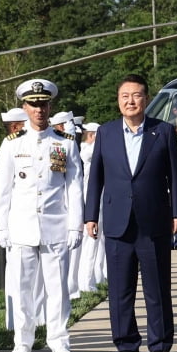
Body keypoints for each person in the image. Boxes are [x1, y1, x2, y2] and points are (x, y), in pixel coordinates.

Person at [83, 74, 177, 352]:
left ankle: (160, 344)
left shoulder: (163, 131)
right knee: (120, 289)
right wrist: (90, 215)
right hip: (118, 222)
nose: (130, 101)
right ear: (118, 101)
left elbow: (176, 177)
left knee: (157, 288)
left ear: (146, 98)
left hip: (153, 221)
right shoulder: (106, 133)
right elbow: (96, 178)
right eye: (124, 96)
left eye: (137, 95)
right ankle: (126, 343)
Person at [0, 79, 83, 352]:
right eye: (33, 105)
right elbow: (3, 188)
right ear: (24, 107)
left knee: (57, 289)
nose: (39, 110)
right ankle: (23, 341)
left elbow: (75, 186)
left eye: (43, 104)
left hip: (55, 225)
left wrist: (74, 225)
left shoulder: (65, 144)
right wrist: (2, 226)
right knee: (21, 288)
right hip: (22, 227)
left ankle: (58, 340)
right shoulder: (12, 144)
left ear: (50, 106)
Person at [75, 122, 106, 295]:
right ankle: (86, 281)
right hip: (91, 197)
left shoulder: (86, 149)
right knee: (91, 241)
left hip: (96, 196)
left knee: (98, 241)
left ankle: (94, 277)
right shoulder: (87, 150)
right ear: (93, 136)